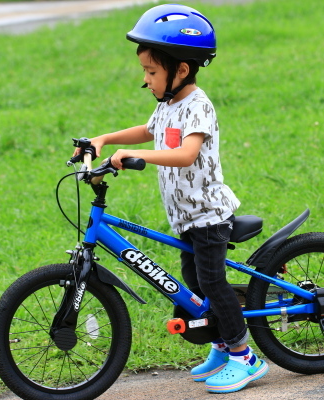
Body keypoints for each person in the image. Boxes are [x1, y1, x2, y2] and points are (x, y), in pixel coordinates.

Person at [74, 4, 268, 393]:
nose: (146, 80)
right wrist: (105, 139)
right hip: (186, 218)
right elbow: (148, 130)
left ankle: (245, 357)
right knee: (193, 280)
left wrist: (138, 158)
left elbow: (186, 155)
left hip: (208, 215)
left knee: (213, 283)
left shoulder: (198, 106)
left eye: (151, 72)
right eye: (145, 72)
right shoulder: (168, 105)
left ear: (181, 70)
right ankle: (220, 342)